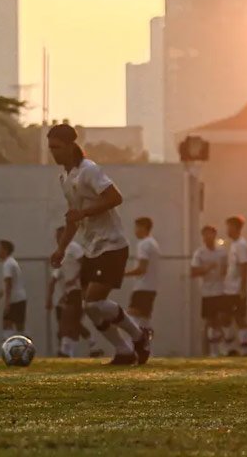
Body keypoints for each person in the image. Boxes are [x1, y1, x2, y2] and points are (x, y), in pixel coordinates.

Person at [48, 123, 151, 365]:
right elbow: (73, 218)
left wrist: (84, 214)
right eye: (51, 147)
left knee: (94, 301)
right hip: (91, 248)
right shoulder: (64, 178)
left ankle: (139, 335)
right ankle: (125, 350)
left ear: (71, 145)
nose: (53, 152)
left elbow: (115, 197)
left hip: (112, 245)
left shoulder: (89, 170)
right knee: (91, 308)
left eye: (57, 147)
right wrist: (61, 248)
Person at [46, 227, 102, 358]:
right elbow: (58, 275)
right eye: (57, 236)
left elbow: (85, 264)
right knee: (70, 321)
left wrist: (75, 279)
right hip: (70, 291)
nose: (58, 239)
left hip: (78, 289)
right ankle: (86, 346)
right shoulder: (63, 252)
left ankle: (69, 350)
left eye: (60, 236)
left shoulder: (73, 247)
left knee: (68, 320)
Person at [190, 225, 227, 357]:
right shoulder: (199, 253)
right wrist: (206, 268)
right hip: (207, 291)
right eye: (205, 234)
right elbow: (193, 271)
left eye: (210, 234)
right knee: (210, 320)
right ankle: (213, 350)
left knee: (221, 318)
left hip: (221, 290)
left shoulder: (222, 252)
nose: (207, 237)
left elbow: (226, 268)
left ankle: (225, 346)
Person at [124, 217, 161, 333]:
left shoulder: (144, 244)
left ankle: (133, 346)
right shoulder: (153, 243)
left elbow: (141, 269)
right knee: (144, 318)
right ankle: (146, 347)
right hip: (151, 287)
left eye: (137, 227)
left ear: (143, 228)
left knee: (131, 315)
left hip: (143, 287)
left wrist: (122, 274)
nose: (135, 231)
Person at [222, 216, 247, 356]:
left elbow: (244, 266)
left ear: (235, 228)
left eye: (229, 226)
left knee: (240, 317)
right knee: (226, 317)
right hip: (228, 288)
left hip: (237, 288)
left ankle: (245, 349)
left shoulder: (241, 244)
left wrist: (243, 287)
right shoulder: (233, 244)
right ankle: (230, 348)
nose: (227, 230)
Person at [0, 239, 27, 339]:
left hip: (14, 299)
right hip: (20, 298)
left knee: (7, 324)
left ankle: (10, 348)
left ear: (5, 250)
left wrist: (7, 303)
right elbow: (4, 286)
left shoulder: (8, 264)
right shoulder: (11, 262)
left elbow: (8, 284)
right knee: (18, 327)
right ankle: (21, 346)